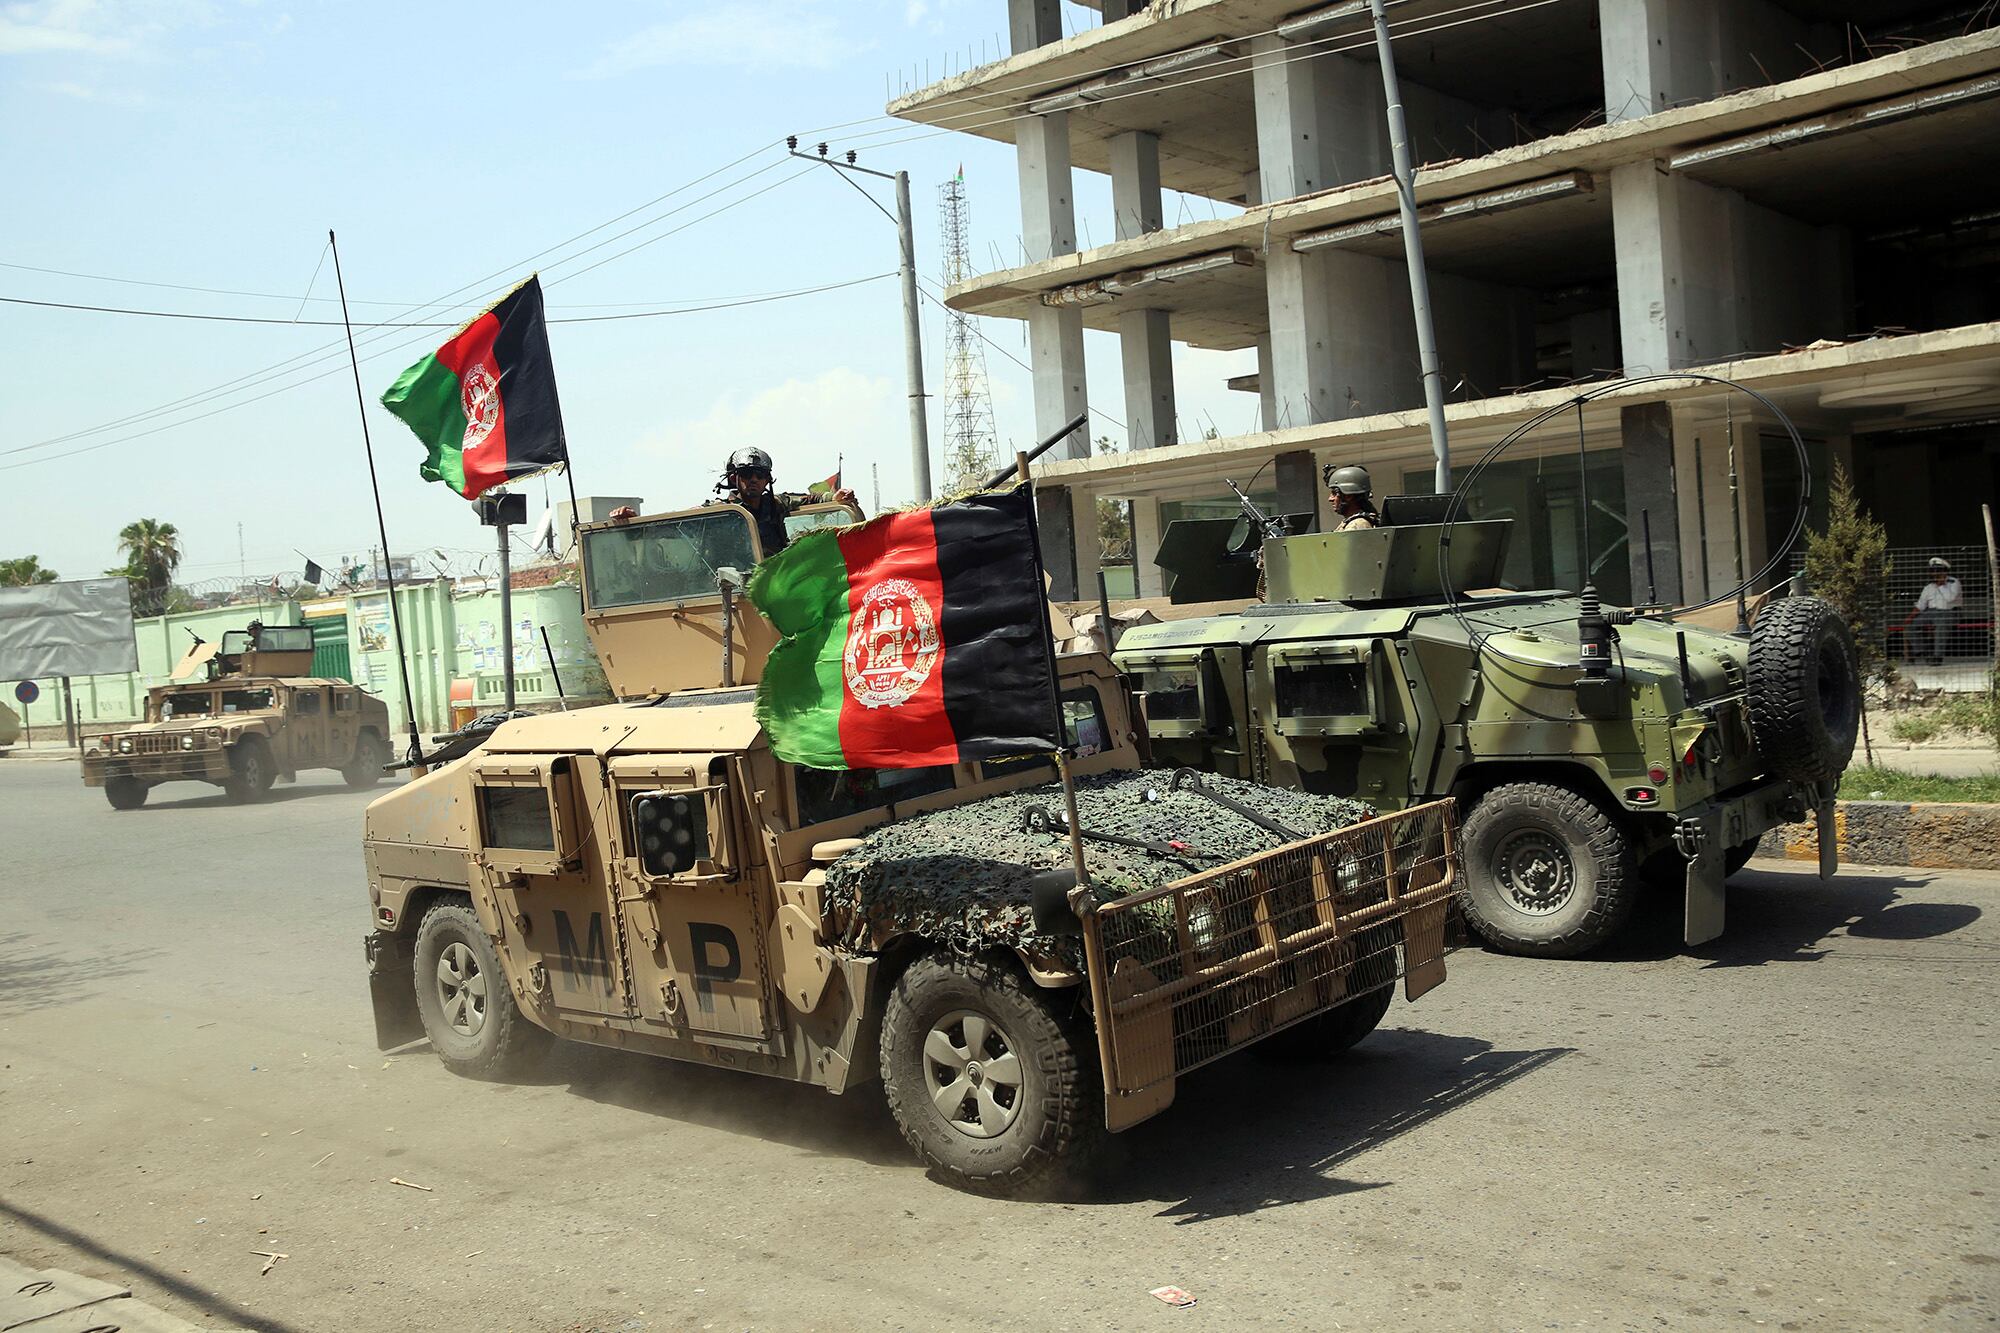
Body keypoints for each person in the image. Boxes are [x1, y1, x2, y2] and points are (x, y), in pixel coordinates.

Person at [610, 447, 859, 557]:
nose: (754, 480)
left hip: (774, 587)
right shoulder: (718, 513)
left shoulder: (775, 504)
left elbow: (811, 498)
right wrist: (632, 524)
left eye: (760, 475)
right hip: (731, 594)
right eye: (747, 474)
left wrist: (834, 498)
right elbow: (672, 526)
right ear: (733, 478)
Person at [1909, 556, 1963, 665]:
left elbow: (1950, 599)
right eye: (1933, 571)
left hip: (1950, 612)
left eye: (1937, 571)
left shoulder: (1953, 582)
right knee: (1913, 625)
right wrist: (1909, 618)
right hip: (1931, 613)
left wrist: (1941, 585)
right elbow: (1921, 605)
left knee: (1941, 626)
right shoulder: (1928, 587)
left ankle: (1937, 657)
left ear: (1944, 571)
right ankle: (1923, 652)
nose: (1935, 574)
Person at [1324, 464, 1380, 532]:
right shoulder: (1351, 522)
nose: (1330, 499)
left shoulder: (1357, 524)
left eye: (1334, 494)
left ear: (1348, 496)